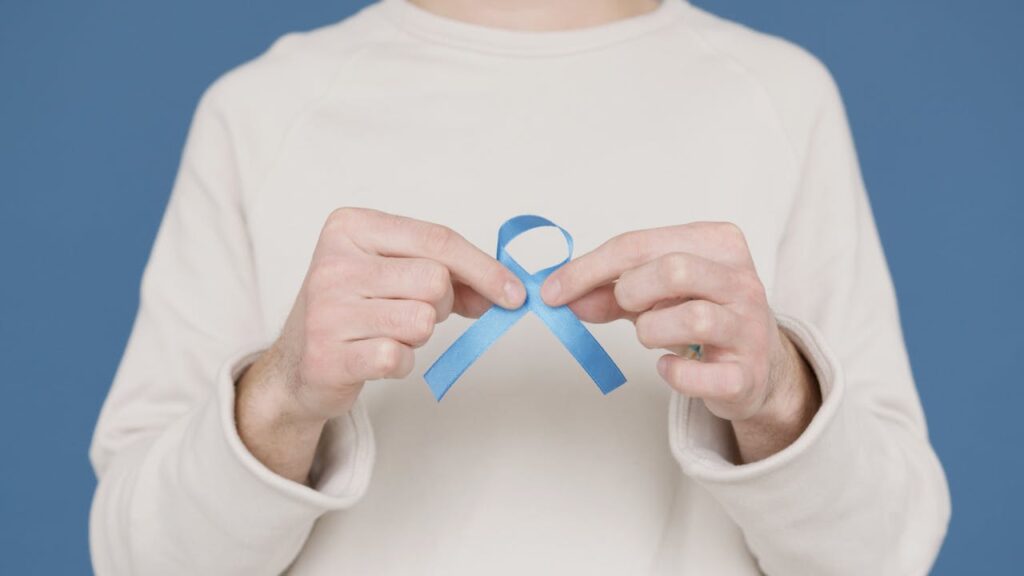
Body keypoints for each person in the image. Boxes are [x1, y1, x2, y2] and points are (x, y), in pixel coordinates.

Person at [88, 0, 951, 573]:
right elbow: (138, 559)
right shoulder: (263, 112)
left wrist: (779, 396)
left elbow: (886, 554)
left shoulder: (779, 100)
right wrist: (277, 397)